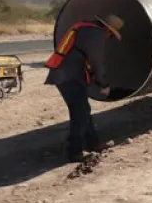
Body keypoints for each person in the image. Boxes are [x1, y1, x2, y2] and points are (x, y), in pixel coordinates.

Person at [44, 14, 124, 163]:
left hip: (68, 74)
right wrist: (103, 84)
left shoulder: (85, 29)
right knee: (80, 112)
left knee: (83, 109)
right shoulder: (95, 34)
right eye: (111, 36)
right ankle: (74, 151)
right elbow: (97, 61)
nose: (109, 38)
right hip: (68, 76)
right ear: (107, 30)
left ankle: (93, 142)